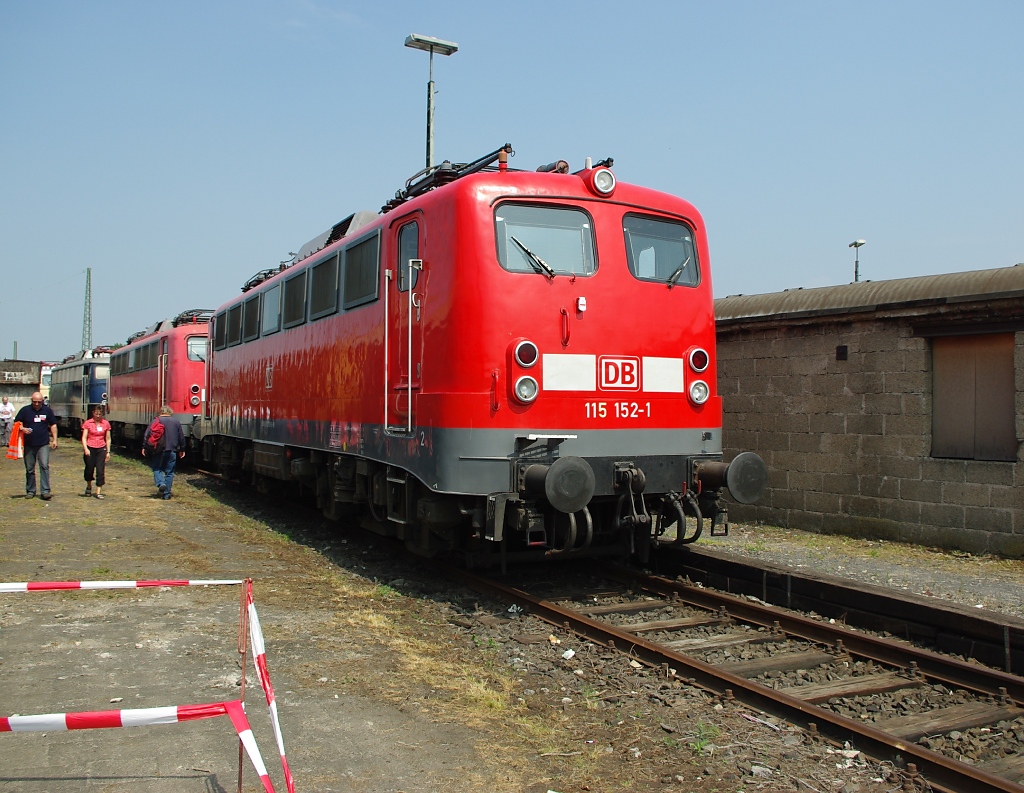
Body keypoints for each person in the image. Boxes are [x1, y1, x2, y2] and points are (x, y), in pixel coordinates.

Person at [14, 391, 58, 500]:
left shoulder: (47, 410)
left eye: (39, 402)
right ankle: (30, 490)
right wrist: (22, 429)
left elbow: (53, 424)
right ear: (31, 401)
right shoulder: (25, 410)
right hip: (29, 444)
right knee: (29, 469)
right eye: (35, 402)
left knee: (44, 466)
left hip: (43, 443)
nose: (37, 404)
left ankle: (45, 491)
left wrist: (55, 439)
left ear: (42, 401)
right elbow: (17, 423)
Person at [143, 405, 185, 500]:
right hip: (172, 450)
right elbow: (181, 437)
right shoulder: (176, 422)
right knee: (169, 472)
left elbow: (147, 434)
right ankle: (167, 494)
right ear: (170, 412)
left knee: (156, 468)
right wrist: (182, 449)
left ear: (161, 412)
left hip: (158, 450)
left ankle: (161, 483)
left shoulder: (156, 421)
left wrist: (144, 447)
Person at [81, 405, 112, 499]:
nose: (98, 416)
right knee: (89, 469)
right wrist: (86, 448)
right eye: (96, 413)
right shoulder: (88, 423)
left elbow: (108, 438)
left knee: (100, 470)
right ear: (93, 413)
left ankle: (98, 491)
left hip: (101, 448)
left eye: (100, 414)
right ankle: (89, 486)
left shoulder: (105, 424)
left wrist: (108, 451)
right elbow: (84, 437)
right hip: (90, 447)